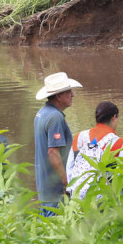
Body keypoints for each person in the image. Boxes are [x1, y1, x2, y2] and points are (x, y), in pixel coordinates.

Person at [33, 72, 82, 214]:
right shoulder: (55, 117)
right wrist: (66, 182)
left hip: (45, 186)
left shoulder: (42, 112)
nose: (73, 95)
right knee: (57, 228)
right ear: (59, 96)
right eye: (69, 92)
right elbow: (53, 152)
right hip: (55, 189)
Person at [67, 101, 123, 200]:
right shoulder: (118, 143)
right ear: (114, 117)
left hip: (77, 197)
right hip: (103, 200)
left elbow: (70, 168)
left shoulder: (79, 137)